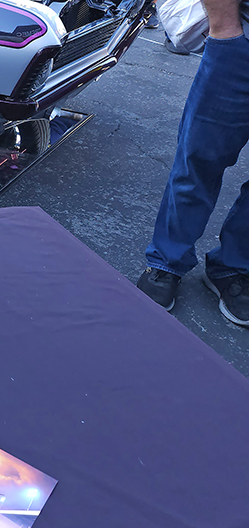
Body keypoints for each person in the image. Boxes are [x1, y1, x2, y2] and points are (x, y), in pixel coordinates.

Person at [137, 0, 249, 326]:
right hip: (240, 44)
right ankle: (167, 260)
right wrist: (225, 28)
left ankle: (233, 266)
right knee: (200, 158)